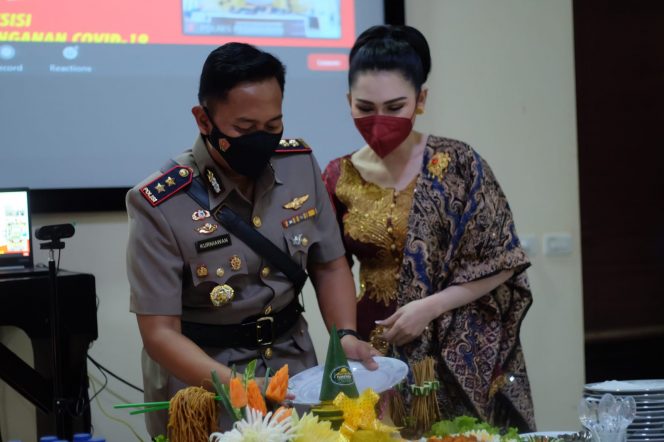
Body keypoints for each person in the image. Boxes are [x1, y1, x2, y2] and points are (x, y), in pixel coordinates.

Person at [126, 42, 376, 436]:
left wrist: (343, 335)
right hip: (204, 382)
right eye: (244, 129)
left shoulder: (298, 166)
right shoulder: (159, 203)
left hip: (294, 365)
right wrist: (237, 387)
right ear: (203, 120)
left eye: (273, 127)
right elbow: (159, 333)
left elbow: (329, 264)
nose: (262, 139)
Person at [322, 25, 536, 432]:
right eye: (365, 108)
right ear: (348, 101)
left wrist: (429, 307)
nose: (379, 121)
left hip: (453, 341)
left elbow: (503, 258)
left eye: (395, 106)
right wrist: (345, 335)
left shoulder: (458, 164)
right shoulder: (338, 175)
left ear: (420, 100)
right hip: (372, 345)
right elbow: (330, 269)